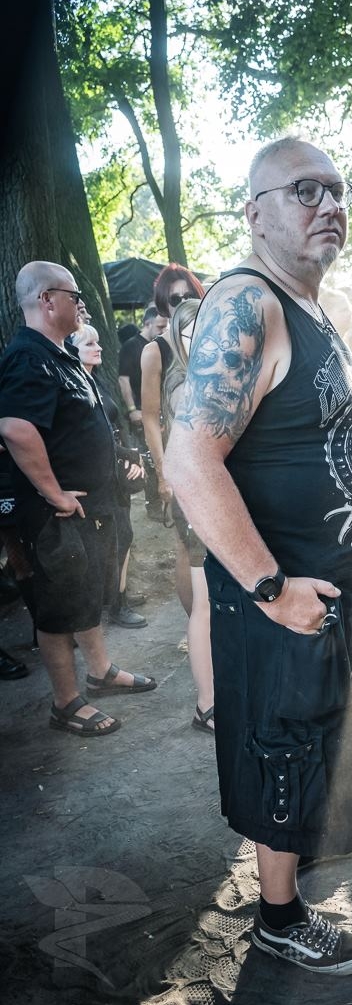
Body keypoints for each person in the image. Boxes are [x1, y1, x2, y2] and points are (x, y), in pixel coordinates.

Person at [165, 137, 352, 975]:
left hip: (329, 584)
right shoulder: (246, 301)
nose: (329, 204)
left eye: (337, 190)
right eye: (304, 190)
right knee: (284, 746)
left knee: (322, 733)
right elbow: (189, 459)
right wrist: (270, 588)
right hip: (283, 591)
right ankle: (279, 915)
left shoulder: (308, 304)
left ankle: (316, 840)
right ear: (254, 213)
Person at [0, 261, 156, 736]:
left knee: (86, 595)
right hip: (57, 516)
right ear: (47, 300)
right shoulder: (28, 357)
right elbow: (16, 428)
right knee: (59, 606)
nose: (81, 303)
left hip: (91, 508)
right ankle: (66, 703)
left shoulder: (58, 354)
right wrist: (54, 494)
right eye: (74, 295)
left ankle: (100, 672)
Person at [161, 298, 215, 733]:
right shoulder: (182, 382)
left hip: (214, 500)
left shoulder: (208, 375)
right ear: (178, 337)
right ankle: (206, 706)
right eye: (191, 329)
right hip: (198, 502)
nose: (203, 335)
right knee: (205, 606)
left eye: (209, 325)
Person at [70, 323, 147, 629]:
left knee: (124, 534)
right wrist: (126, 454)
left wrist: (131, 457)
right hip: (91, 478)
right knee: (99, 543)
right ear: (71, 350)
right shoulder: (72, 386)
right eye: (89, 344)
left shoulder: (96, 380)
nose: (99, 348)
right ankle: (104, 604)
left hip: (114, 472)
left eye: (98, 342)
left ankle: (118, 599)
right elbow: (85, 438)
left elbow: (113, 428)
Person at [141, 265, 206, 614]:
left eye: (188, 295)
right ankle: (198, 622)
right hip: (184, 464)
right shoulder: (156, 351)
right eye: (174, 298)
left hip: (225, 460)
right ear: (163, 304)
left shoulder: (214, 340)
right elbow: (151, 416)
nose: (182, 301)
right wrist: (162, 472)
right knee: (189, 544)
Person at [118, 305, 168, 519]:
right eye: (160, 326)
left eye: (165, 326)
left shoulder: (162, 345)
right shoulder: (131, 346)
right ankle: (153, 506)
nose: (163, 330)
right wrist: (132, 409)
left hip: (163, 411)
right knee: (149, 458)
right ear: (147, 323)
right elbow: (124, 380)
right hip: (141, 411)